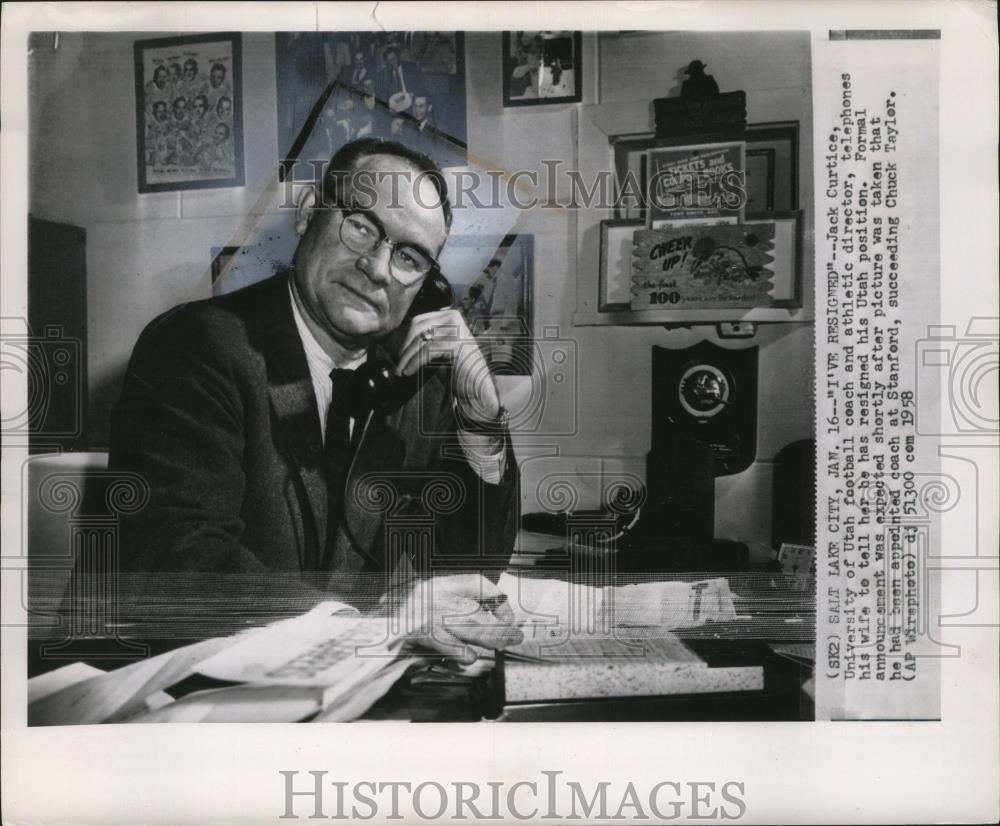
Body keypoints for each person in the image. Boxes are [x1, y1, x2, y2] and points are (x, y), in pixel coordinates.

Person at [110, 138, 521, 661]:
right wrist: (373, 627)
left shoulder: (423, 388)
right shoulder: (198, 345)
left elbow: (475, 570)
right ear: (309, 213)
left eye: (409, 257)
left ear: (426, 287)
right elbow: (177, 559)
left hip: (339, 691)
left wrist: (481, 414)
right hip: (186, 694)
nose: (376, 267)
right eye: (362, 226)